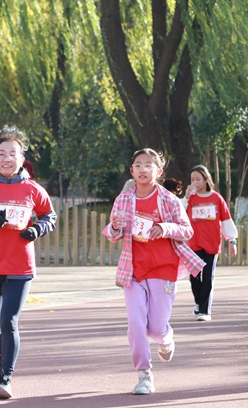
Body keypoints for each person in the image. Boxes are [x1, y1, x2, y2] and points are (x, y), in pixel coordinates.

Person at [102, 148, 205, 396]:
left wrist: (164, 227)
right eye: (138, 165)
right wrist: (114, 227)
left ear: (158, 172)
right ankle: (144, 374)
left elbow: (187, 231)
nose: (143, 169)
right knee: (136, 324)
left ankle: (166, 338)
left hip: (164, 269)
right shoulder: (124, 200)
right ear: (132, 171)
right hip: (133, 271)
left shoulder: (168, 200)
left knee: (156, 328)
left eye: (148, 165)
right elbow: (113, 234)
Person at [0, 125, 56, 399]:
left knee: (9, 322)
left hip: (20, 267)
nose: (6, 158)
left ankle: (6, 378)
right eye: (1, 153)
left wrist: (36, 229)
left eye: (12, 154)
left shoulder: (33, 189)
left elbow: (49, 216)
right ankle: (3, 350)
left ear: (20, 159)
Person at [184, 165, 238, 322]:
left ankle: (204, 311)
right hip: (194, 243)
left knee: (207, 277)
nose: (195, 182)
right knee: (194, 277)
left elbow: (226, 220)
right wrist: (186, 197)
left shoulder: (216, 198)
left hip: (211, 244)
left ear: (206, 180)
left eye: (198, 179)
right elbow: (178, 213)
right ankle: (198, 303)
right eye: (192, 179)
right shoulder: (190, 199)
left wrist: (231, 240)